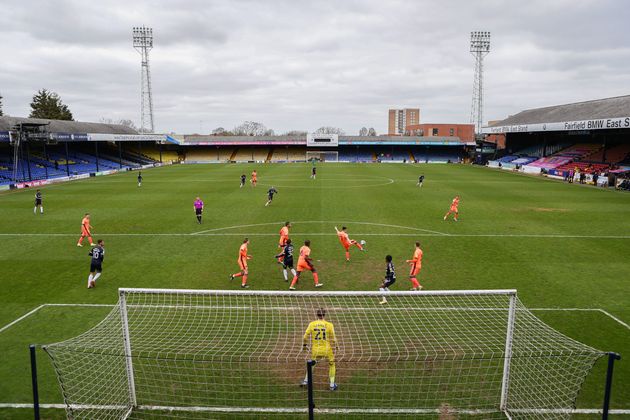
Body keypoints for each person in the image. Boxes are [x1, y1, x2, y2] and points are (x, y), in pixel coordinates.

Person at [301, 308, 338, 391]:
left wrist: (304, 345)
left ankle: (306, 380)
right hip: (327, 350)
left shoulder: (312, 324)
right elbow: (334, 339)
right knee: (332, 364)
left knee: (312, 364)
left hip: (315, 350)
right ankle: (332, 385)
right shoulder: (329, 325)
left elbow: (304, 337)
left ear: (317, 315)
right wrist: (337, 346)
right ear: (324, 315)